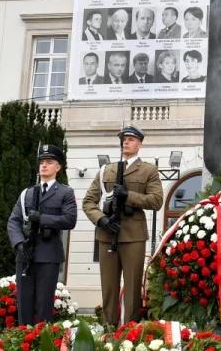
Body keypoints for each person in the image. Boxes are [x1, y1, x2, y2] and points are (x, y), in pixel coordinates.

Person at [82, 127, 164, 327]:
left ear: (139, 144)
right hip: (107, 232)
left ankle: (130, 330)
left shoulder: (148, 170)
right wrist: (101, 220)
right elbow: (88, 202)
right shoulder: (106, 170)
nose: (126, 142)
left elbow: (156, 201)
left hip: (133, 235)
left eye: (130, 139)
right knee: (108, 286)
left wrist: (128, 195)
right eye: (123, 139)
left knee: (133, 285)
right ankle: (109, 330)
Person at [8, 145, 77, 326]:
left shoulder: (65, 192)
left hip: (48, 254)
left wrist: (43, 219)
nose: (44, 166)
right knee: (24, 303)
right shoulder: (27, 193)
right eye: (41, 162)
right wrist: (19, 244)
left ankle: (42, 339)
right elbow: (13, 221)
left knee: (44, 304)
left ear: (58, 167)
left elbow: (70, 220)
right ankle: (24, 339)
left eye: (49, 162)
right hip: (25, 253)